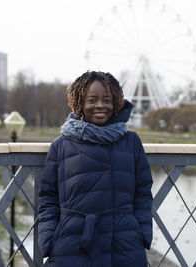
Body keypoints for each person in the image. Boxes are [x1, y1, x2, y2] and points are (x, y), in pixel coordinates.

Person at [38, 71, 153, 266]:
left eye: (106, 100)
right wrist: (48, 239)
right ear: (80, 103)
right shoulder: (61, 145)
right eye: (92, 100)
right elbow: (48, 197)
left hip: (124, 242)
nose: (100, 105)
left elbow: (143, 192)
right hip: (72, 243)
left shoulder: (131, 142)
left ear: (116, 103)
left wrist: (142, 233)